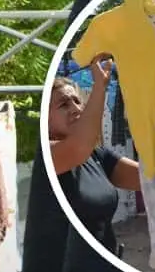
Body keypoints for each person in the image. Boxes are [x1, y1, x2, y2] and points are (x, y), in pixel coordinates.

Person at [46, 56, 141, 257]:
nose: (75, 109)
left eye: (77, 101)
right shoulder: (50, 155)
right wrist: (100, 86)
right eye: (64, 105)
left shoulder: (94, 154)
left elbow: (146, 178)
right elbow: (80, 144)